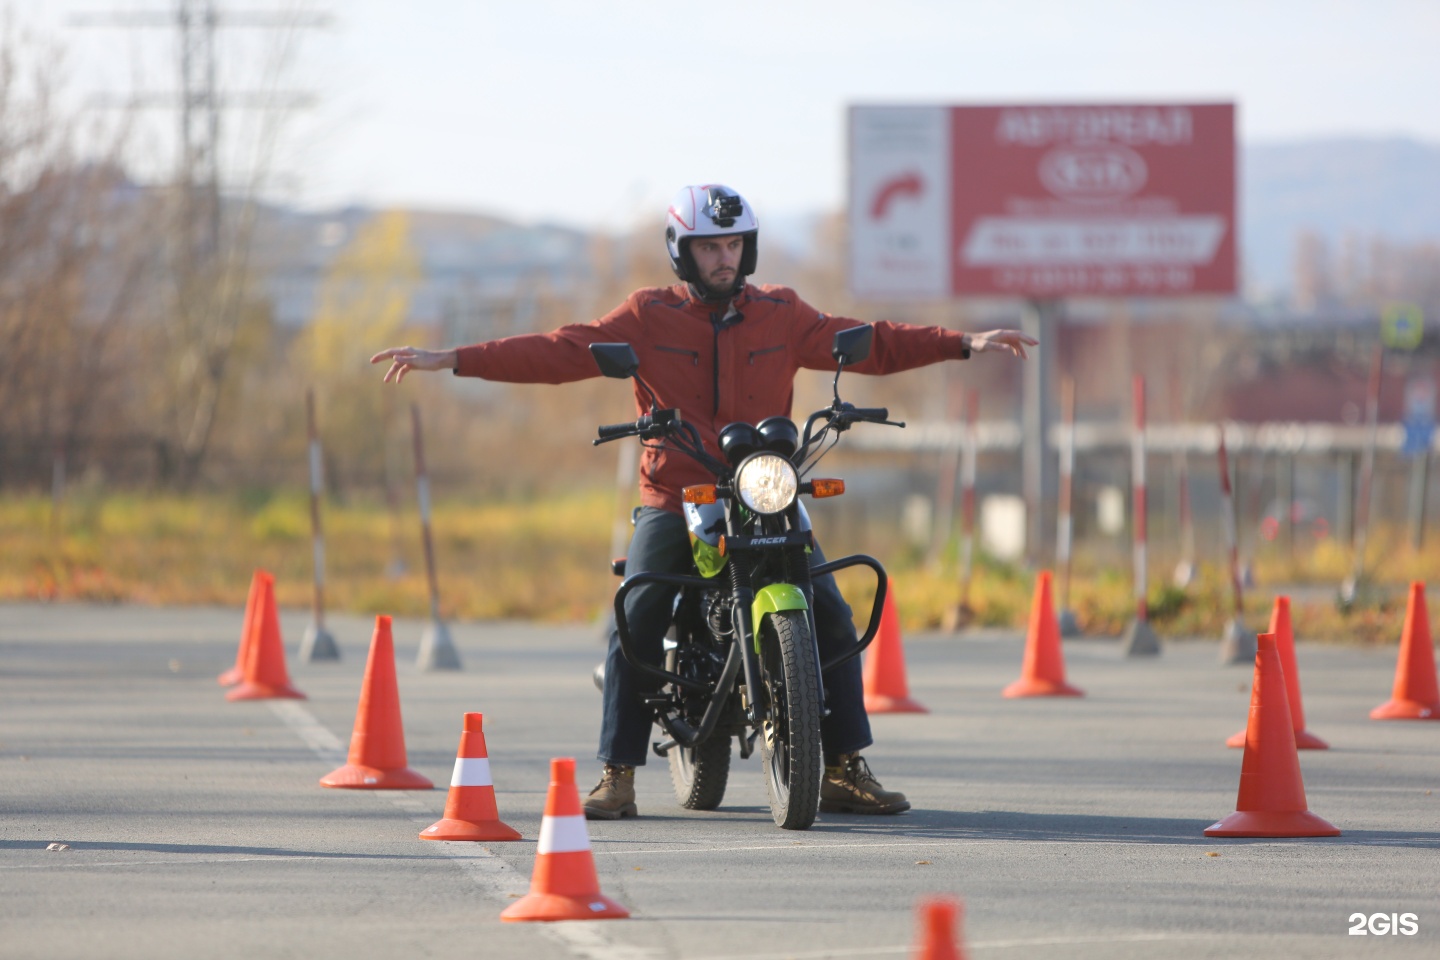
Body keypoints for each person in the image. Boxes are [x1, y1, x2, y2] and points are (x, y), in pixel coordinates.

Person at [372, 184, 1036, 821]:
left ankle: (841, 770)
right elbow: (557, 350)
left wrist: (962, 344)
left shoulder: (783, 312)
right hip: (676, 491)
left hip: (764, 490)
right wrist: (449, 359)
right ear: (682, 252)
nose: (724, 259)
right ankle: (617, 774)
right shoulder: (646, 316)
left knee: (832, 612)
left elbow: (870, 339)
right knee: (637, 610)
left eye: (734, 246)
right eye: (709, 247)